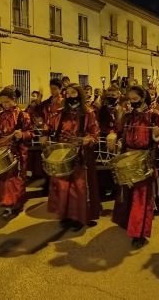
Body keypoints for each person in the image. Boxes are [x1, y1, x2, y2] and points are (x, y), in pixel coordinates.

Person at [112, 86, 159, 249]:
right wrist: (115, 137)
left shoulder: (154, 115)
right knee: (127, 194)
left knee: (141, 197)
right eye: (130, 99)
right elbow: (119, 132)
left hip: (145, 158)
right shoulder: (129, 115)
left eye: (134, 99)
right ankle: (129, 223)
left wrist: (158, 136)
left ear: (143, 98)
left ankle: (139, 233)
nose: (132, 102)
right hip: (129, 157)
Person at [47, 83, 100, 231]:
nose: (70, 95)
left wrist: (87, 139)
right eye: (67, 93)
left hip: (80, 155)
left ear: (80, 94)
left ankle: (78, 217)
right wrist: (45, 134)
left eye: (73, 93)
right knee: (63, 186)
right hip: (62, 153)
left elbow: (95, 133)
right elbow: (50, 127)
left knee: (78, 187)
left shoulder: (88, 113)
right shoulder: (59, 113)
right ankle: (65, 215)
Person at [0, 88, 33, 220]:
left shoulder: (22, 115)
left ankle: (16, 205)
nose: (5, 105)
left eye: (7, 102)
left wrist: (22, 134)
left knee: (16, 180)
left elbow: (31, 132)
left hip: (18, 151)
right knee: (4, 181)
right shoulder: (0, 116)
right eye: (2, 103)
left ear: (14, 100)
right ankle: (8, 205)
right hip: (3, 151)